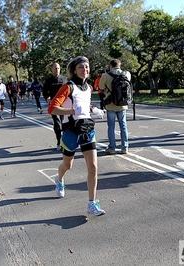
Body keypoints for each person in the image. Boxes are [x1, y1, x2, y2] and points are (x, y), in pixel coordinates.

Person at [48, 56, 105, 216]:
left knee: (93, 167)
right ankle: (59, 179)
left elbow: (84, 103)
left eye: (86, 67)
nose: (84, 70)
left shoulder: (88, 87)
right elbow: (52, 108)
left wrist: (94, 109)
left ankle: (91, 204)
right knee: (67, 166)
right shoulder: (68, 87)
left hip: (87, 129)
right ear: (74, 70)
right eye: (81, 67)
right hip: (70, 131)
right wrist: (72, 111)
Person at [99, 59, 130, 155]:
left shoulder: (105, 75)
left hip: (111, 104)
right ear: (119, 65)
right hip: (122, 104)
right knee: (123, 126)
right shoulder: (127, 74)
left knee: (111, 126)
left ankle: (112, 147)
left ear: (110, 66)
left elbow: (100, 87)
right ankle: (125, 147)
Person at [44, 62, 68, 151]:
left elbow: (69, 91)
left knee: (64, 123)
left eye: (58, 68)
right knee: (57, 123)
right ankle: (59, 141)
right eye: (55, 68)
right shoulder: (48, 81)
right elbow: (45, 92)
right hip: (54, 105)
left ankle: (64, 141)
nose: (57, 70)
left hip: (64, 104)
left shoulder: (65, 79)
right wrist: (47, 98)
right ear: (51, 70)